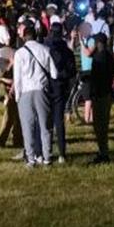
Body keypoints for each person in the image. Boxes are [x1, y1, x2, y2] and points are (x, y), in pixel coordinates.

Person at [13, 22, 58, 166]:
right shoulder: (45, 49)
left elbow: (17, 77)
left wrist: (17, 96)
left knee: (28, 127)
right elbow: (54, 74)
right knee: (45, 126)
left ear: (24, 37)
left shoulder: (19, 53)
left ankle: (31, 158)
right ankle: (47, 157)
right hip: (41, 90)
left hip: (25, 91)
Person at [46, 23, 77, 163]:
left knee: (46, 120)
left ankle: (47, 150)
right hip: (61, 85)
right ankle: (62, 153)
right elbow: (72, 71)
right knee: (59, 120)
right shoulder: (66, 50)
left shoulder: (46, 48)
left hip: (48, 85)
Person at [88, 31, 114, 165]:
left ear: (99, 43)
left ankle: (103, 153)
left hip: (100, 95)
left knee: (100, 126)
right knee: (104, 125)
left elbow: (96, 78)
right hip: (107, 93)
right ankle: (103, 151)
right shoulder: (109, 57)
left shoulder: (98, 58)